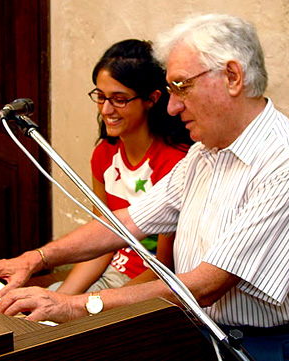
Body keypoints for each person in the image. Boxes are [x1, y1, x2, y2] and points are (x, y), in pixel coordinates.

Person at [0, 14, 289, 360]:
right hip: (205, 329)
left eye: (181, 87)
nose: (173, 108)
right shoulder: (206, 153)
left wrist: (80, 305)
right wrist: (35, 258)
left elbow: (208, 284)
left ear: (232, 77)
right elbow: (125, 221)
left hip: (273, 346)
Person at [49, 39, 191, 295]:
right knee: (45, 304)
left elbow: (165, 266)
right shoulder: (104, 154)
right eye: (101, 97)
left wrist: (97, 305)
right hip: (109, 275)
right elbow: (100, 242)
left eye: (119, 99)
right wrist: (61, 300)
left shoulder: (174, 164)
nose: (106, 109)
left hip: (148, 289)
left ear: (151, 99)